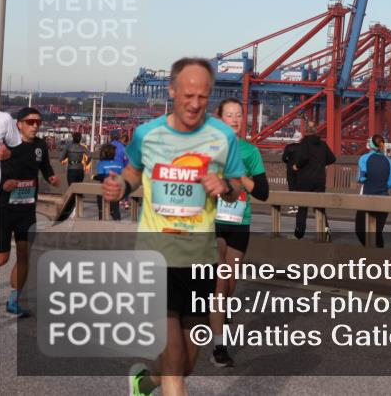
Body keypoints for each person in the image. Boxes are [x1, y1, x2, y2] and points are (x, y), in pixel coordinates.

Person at [100, 57, 244, 396]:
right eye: (188, 95)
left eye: (203, 97)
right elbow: (133, 172)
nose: (195, 104)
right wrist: (121, 187)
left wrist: (224, 186)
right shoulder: (147, 134)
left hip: (199, 260)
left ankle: (144, 382)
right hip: (156, 257)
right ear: (172, 91)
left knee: (187, 363)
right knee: (175, 360)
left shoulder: (223, 136)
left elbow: (238, 186)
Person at [210, 98, 270, 368]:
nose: (235, 120)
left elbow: (263, 192)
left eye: (238, 115)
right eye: (229, 115)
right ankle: (219, 347)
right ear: (220, 118)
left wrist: (241, 176)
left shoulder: (250, 151)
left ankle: (218, 317)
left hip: (239, 221)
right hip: (212, 221)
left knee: (230, 284)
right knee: (220, 282)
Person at [0, 108, 59, 316]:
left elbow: (45, 167)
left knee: (24, 253)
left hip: (26, 209)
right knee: (1, 259)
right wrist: (3, 185)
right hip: (4, 207)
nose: (35, 126)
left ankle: (14, 301)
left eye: (38, 123)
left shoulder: (40, 146)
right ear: (19, 124)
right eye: (30, 122)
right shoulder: (5, 145)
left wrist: (51, 177)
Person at [287, 120, 336, 239]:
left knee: (302, 208)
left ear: (305, 130)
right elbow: (332, 159)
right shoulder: (322, 144)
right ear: (316, 130)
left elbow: (303, 157)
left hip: (305, 179)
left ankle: (298, 235)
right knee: (320, 207)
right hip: (319, 179)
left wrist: (297, 166)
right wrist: (320, 164)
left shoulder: (304, 143)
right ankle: (326, 233)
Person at [355, 134, 391, 248]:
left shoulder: (364, 159)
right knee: (377, 234)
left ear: (370, 145)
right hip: (384, 200)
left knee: (360, 231)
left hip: (366, 199)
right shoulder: (389, 161)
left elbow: (360, 178)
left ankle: (371, 254)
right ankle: (379, 255)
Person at [93, 143, 123, 221]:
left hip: (104, 190)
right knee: (115, 211)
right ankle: (118, 225)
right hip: (116, 190)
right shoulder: (119, 163)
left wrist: (94, 177)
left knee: (102, 211)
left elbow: (101, 176)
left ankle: (102, 226)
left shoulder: (101, 164)